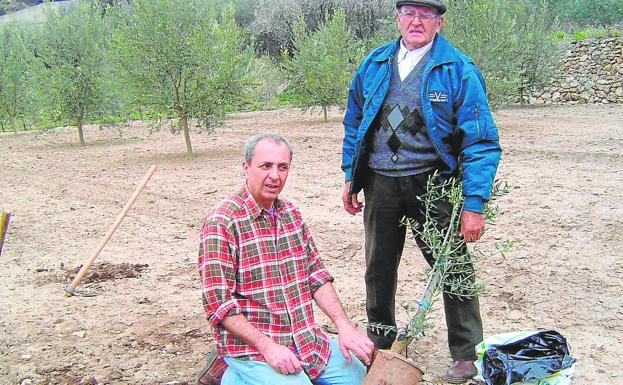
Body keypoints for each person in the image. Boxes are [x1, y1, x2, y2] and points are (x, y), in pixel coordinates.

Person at [340, 0, 501, 383]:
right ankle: (380, 342)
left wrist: (474, 204)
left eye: (426, 15)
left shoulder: (457, 70)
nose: (416, 21)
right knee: (378, 267)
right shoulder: (375, 64)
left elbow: (480, 142)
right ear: (397, 18)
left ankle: (466, 353)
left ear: (439, 23)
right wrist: (351, 175)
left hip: (434, 184)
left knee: (452, 269)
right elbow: (354, 121)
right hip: (380, 182)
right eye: (409, 13)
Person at [199, 133, 375, 385]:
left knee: (357, 377)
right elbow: (218, 305)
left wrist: (344, 325)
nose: (275, 176)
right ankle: (230, 375)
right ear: (246, 168)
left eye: (283, 167)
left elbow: (316, 276)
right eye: (265, 166)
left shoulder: (290, 214)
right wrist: (268, 347)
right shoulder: (223, 222)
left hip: (304, 338)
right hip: (255, 347)